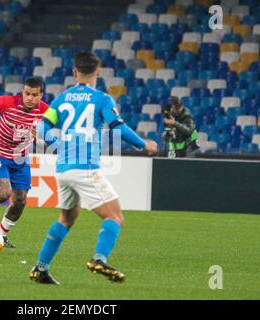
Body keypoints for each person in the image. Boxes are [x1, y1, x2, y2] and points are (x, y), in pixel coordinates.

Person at [29, 51, 158, 285]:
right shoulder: (102, 99)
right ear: (98, 71)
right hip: (85, 168)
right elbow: (117, 127)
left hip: (63, 169)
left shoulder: (61, 99)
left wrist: (58, 145)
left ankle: (40, 268)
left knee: (67, 218)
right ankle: (99, 259)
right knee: (115, 217)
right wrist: (143, 144)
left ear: (74, 72)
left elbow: (41, 129)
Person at [0, 77, 49, 248]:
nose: (29, 98)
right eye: (27, 93)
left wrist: (40, 140)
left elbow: (45, 143)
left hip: (21, 159)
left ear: (41, 95)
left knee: (20, 200)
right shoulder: (7, 102)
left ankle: (0, 236)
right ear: (22, 92)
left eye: (34, 95)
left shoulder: (45, 111)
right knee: (4, 193)